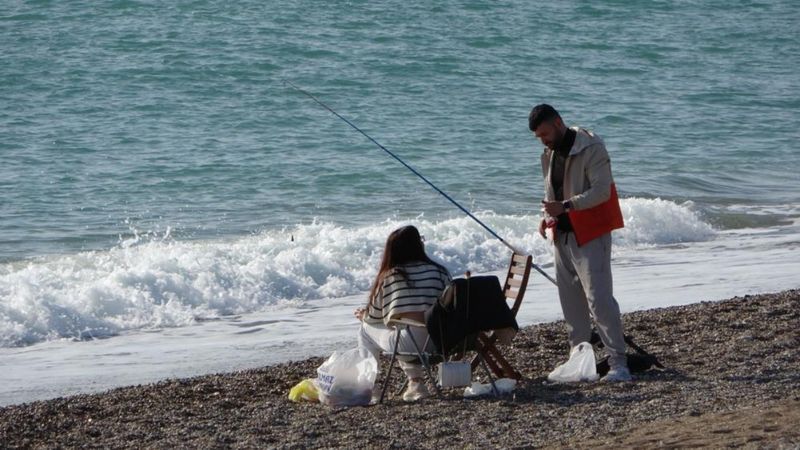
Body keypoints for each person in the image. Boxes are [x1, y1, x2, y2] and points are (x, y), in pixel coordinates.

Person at [529, 104, 631, 382]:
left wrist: (566, 206)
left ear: (559, 123)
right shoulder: (549, 153)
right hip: (561, 234)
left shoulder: (591, 146)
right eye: (538, 136)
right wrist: (546, 216)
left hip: (591, 233)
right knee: (571, 302)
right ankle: (580, 360)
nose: (543, 140)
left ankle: (619, 363)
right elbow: (550, 192)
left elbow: (601, 190)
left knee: (599, 300)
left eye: (545, 134)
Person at [354, 225, 451, 401]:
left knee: (366, 328)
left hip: (411, 345)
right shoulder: (440, 272)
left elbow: (374, 316)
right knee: (400, 328)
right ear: (418, 245)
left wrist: (363, 316)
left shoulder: (392, 276)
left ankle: (369, 387)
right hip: (443, 341)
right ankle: (415, 384)